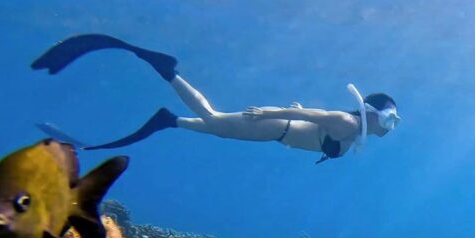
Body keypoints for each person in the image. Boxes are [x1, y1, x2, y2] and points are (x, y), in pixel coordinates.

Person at [31, 34, 400, 163]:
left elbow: (311, 116)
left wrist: (297, 113)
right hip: (275, 125)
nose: (391, 127)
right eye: (390, 119)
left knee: (217, 129)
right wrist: (272, 111)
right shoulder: (349, 123)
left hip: (280, 131)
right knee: (212, 118)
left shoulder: (353, 130)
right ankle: (166, 68)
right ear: (372, 114)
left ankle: (167, 120)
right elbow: (319, 115)